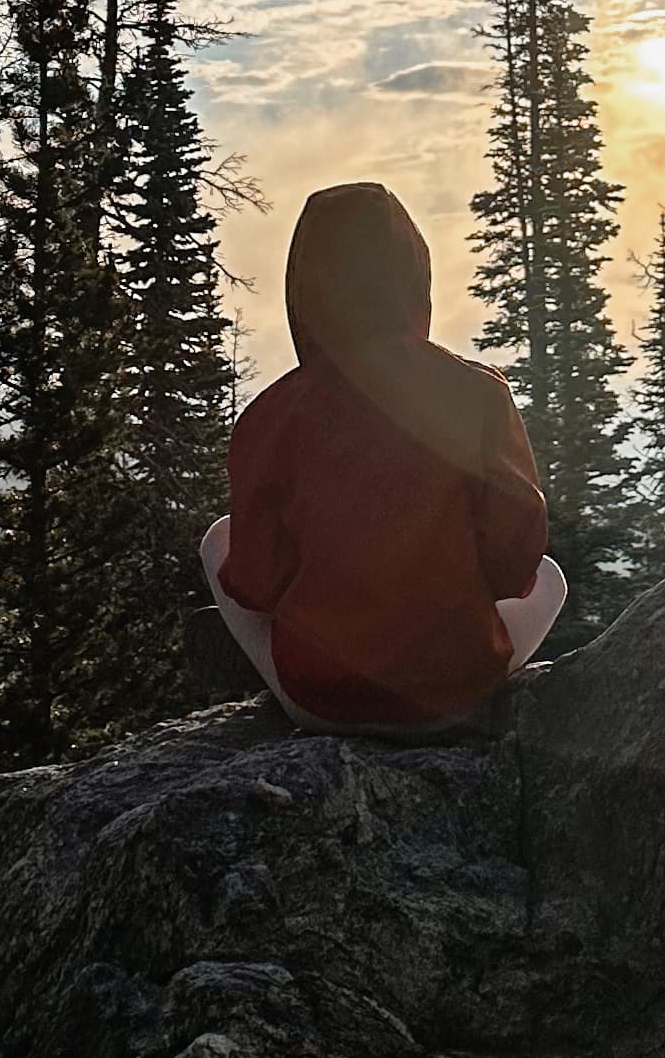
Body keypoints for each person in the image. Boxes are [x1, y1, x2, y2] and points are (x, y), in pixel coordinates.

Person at [202, 179, 566, 727]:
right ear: (415, 278)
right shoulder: (478, 395)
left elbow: (255, 584)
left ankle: (290, 678)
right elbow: (515, 566)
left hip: (323, 705)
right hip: (455, 697)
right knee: (551, 576)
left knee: (218, 539)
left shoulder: (270, 418)